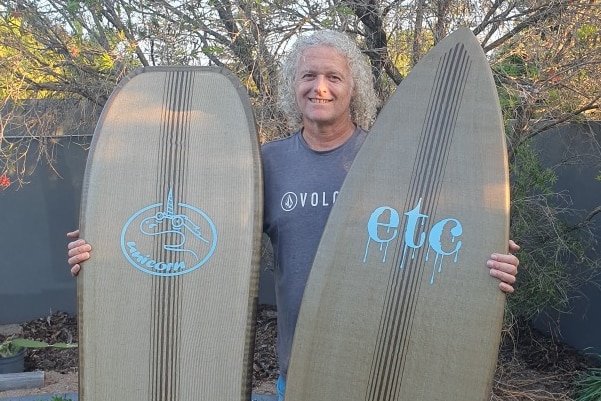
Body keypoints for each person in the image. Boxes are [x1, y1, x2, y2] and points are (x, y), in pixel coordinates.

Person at [68, 30, 520, 401]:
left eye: (333, 77)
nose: (319, 87)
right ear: (293, 86)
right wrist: (104, 252)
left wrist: (488, 261)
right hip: (300, 369)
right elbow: (202, 237)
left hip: (375, 366)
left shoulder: (389, 160)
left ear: (353, 87)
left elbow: (438, 237)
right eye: (308, 75)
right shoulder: (266, 164)